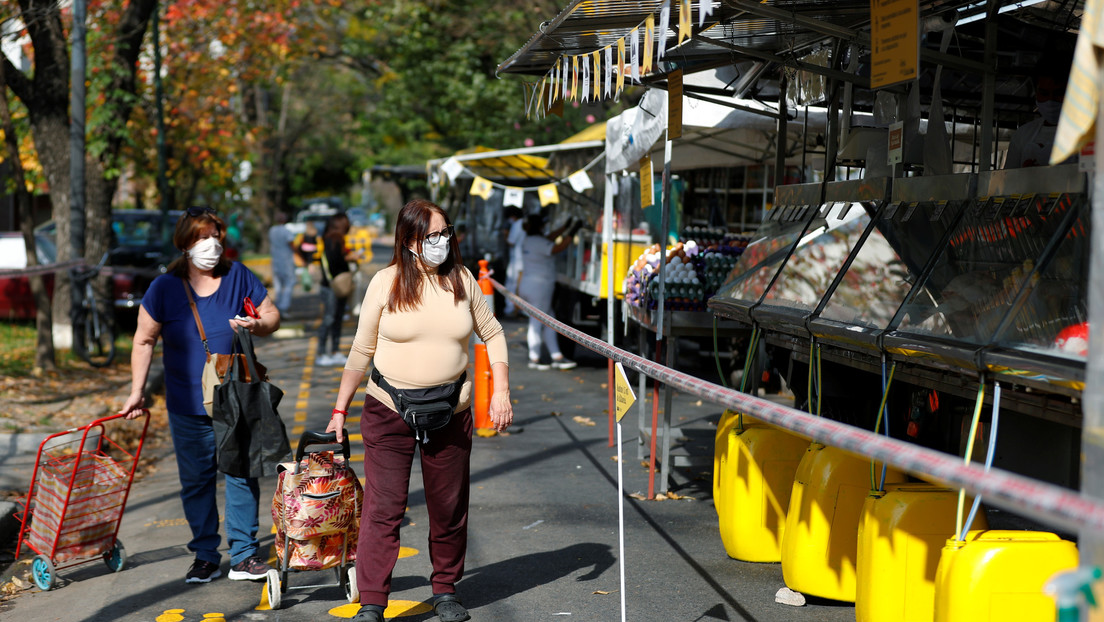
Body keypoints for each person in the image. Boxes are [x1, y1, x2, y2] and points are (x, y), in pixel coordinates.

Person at [327, 199, 513, 622]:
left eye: (447, 232)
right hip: (388, 407)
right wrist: (340, 409)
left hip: (452, 410)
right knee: (383, 508)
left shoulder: (463, 280)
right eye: (433, 235)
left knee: (448, 506)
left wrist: (500, 390)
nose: (442, 241)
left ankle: (446, 590)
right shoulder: (385, 282)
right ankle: (373, 600)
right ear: (410, 240)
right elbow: (361, 349)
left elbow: (494, 333)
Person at [118, 206, 281, 584]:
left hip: (236, 398)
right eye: (201, 237)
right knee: (197, 481)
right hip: (186, 403)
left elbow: (272, 316)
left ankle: (243, 555)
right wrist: (136, 392)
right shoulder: (165, 288)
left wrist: (257, 325)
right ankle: (206, 556)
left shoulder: (239, 276)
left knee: (241, 474)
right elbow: (143, 340)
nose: (211, 244)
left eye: (215, 236)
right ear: (185, 244)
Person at [518, 211, 577, 370]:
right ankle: (534, 358)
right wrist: (572, 232)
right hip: (540, 287)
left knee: (550, 320)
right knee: (537, 322)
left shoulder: (529, 240)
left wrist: (564, 228)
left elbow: (549, 239)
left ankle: (556, 356)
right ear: (540, 226)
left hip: (528, 285)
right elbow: (558, 247)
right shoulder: (538, 241)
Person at [1005, 57, 1075, 169]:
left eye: (1058, 93)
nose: (1050, 100)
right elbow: (1009, 180)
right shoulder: (1023, 135)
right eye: (1044, 93)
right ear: (1035, 92)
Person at [316, 212, 359, 366]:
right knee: (330, 319)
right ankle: (321, 353)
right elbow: (335, 261)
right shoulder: (333, 240)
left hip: (334, 285)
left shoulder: (331, 239)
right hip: (332, 286)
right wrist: (349, 258)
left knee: (336, 318)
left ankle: (334, 351)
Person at [268, 211, 296, 314]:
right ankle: (284, 306)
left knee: (278, 285)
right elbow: (292, 245)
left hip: (275, 260)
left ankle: (278, 305)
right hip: (286, 260)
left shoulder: (272, 230)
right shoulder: (286, 231)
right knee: (289, 283)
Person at [503, 206, 525, 318]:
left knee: (512, 284)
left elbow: (511, 241)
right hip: (522, 259)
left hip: (517, 259)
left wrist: (505, 234)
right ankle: (519, 309)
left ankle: (511, 309)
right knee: (519, 285)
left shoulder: (517, 225)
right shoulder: (524, 223)